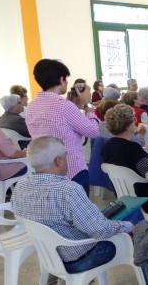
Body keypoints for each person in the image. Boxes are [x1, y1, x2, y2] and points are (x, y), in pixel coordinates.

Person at [11, 136, 132, 274]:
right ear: (58, 161)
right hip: (80, 259)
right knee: (131, 231)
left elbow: (19, 216)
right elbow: (99, 230)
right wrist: (128, 227)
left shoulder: (21, 185)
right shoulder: (69, 190)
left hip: (48, 256)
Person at [26, 59, 99, 195]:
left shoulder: (32, 106)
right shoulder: (64, 106)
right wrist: (87, 107)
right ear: (61, 79)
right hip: (71, 169)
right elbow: (93, 131)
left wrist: (74, 106)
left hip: (46, 171)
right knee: (78, 214)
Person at [102, 104, 148, 214]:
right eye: (134, 119)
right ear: (128, 126)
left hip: (121, 195)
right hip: (143, 198)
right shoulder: (133, 148)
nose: (136, 121)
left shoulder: (107, 145)